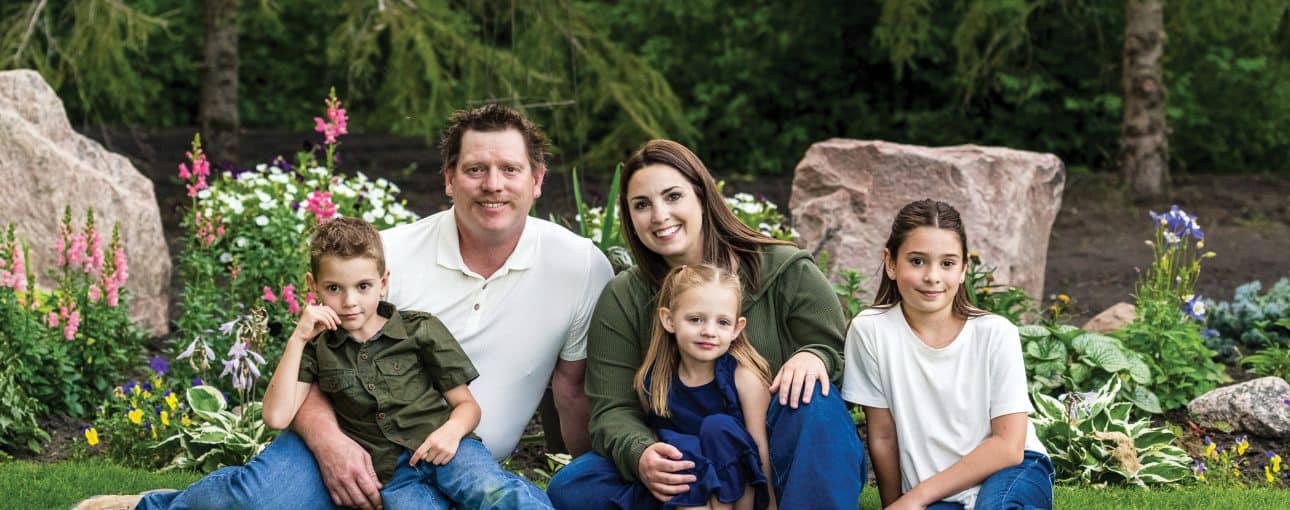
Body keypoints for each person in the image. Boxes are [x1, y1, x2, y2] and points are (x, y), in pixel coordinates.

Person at [77, 104, 613, 510]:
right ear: (449, 178)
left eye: (510, 169)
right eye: (475, 169)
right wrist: (331, 443)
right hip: (345, 436)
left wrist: (589, 478)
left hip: (452, 459)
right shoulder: (386, 257)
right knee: (257, 502)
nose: (492, 185)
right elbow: (315, 362)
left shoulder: (580, 266)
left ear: (537, 180)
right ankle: (149, 506)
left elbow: (571, 389)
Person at [547, 140, 865, 509]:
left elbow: (835, 349)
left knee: (816, 400)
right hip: (684, 457)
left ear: (702, 195)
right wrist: (643, 453)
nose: (659, 215)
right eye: (641, 205)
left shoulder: (785, 269)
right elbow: (612, 409)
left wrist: (815, 355)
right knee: (576, 485)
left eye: (673, 196)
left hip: (775, 453)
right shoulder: (624, 297)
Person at [283, 217, 553, 508]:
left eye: (363, 286)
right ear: (314, 287)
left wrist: (451, 433)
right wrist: (296, 339)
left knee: (491, 492)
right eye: (334, 288)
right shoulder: (316, 348)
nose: (349, 301)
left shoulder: (419, 329)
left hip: (448, 447)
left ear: (383, 283)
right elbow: (276, 417)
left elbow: (468, 406)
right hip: (393, 475)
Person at [840, 199, 1054, 510]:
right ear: (890, 263)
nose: (933, 276)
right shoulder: (870, 331)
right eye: (917, 261)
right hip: (936, 482)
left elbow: (1009, 447)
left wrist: (916, 499)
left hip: (1012, 470)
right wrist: (896, 504)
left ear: (964, 268)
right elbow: (883, 435)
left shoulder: (995, 333)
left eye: (948, 263)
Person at [618, 264, 775, 510]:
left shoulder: (744, 378)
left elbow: (761, 450)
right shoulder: (655, 382)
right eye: (695, 319)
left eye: (722, 322)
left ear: (737, 328)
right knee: (680, 447)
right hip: (689, 493)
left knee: (718, 428)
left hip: (741, 497)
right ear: (669, 320)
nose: (709, 331)